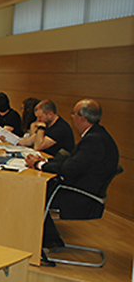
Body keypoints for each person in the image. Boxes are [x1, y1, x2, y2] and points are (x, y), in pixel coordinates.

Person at [26, 99, 119, 252]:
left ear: (83, 118)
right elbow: (72, 162)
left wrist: (38, 165)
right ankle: (49, 238)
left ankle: (50, 241)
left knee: (35, 192)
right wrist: (46, 161)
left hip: (81, 194)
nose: (72, 117)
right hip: (79, 185)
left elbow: (68, 169)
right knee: (39, 188)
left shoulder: (94, 141)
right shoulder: (96, 135)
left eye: (73, 114)